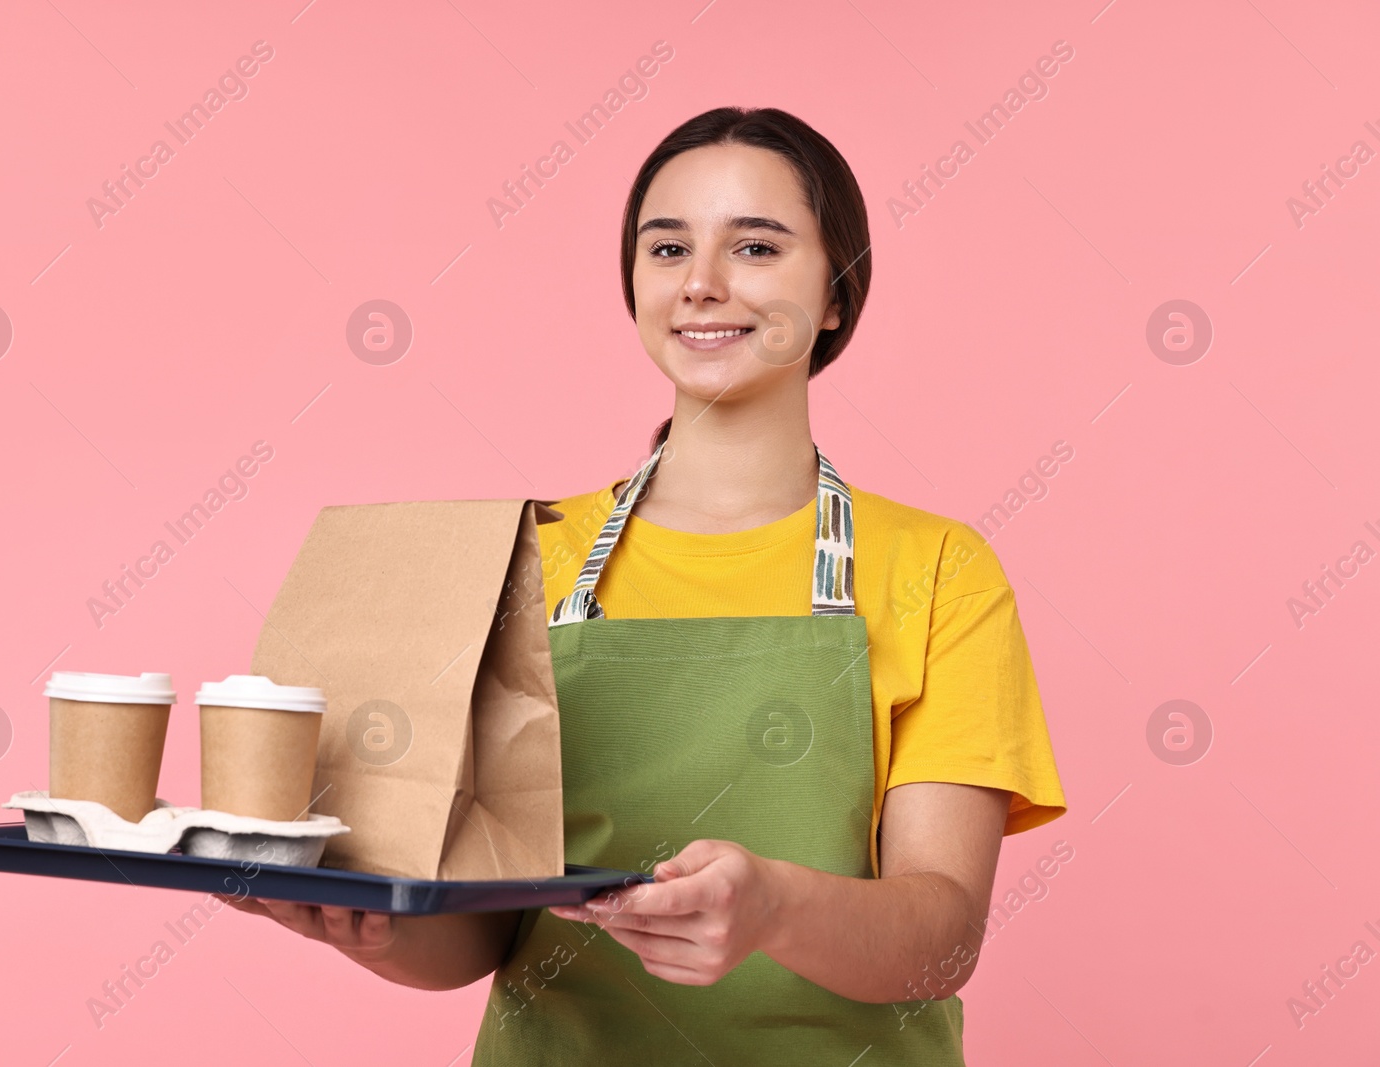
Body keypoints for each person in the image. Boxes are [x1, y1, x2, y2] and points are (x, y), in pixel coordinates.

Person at [224, 106, 1066, 1064]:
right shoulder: (528, 554)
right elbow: (489, 929)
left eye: (755, 245)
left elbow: (940, 939)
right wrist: (374, 925)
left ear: (834, 293)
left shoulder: (940, 570)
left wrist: (774, 908)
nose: (702, 284)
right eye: (667, 248)